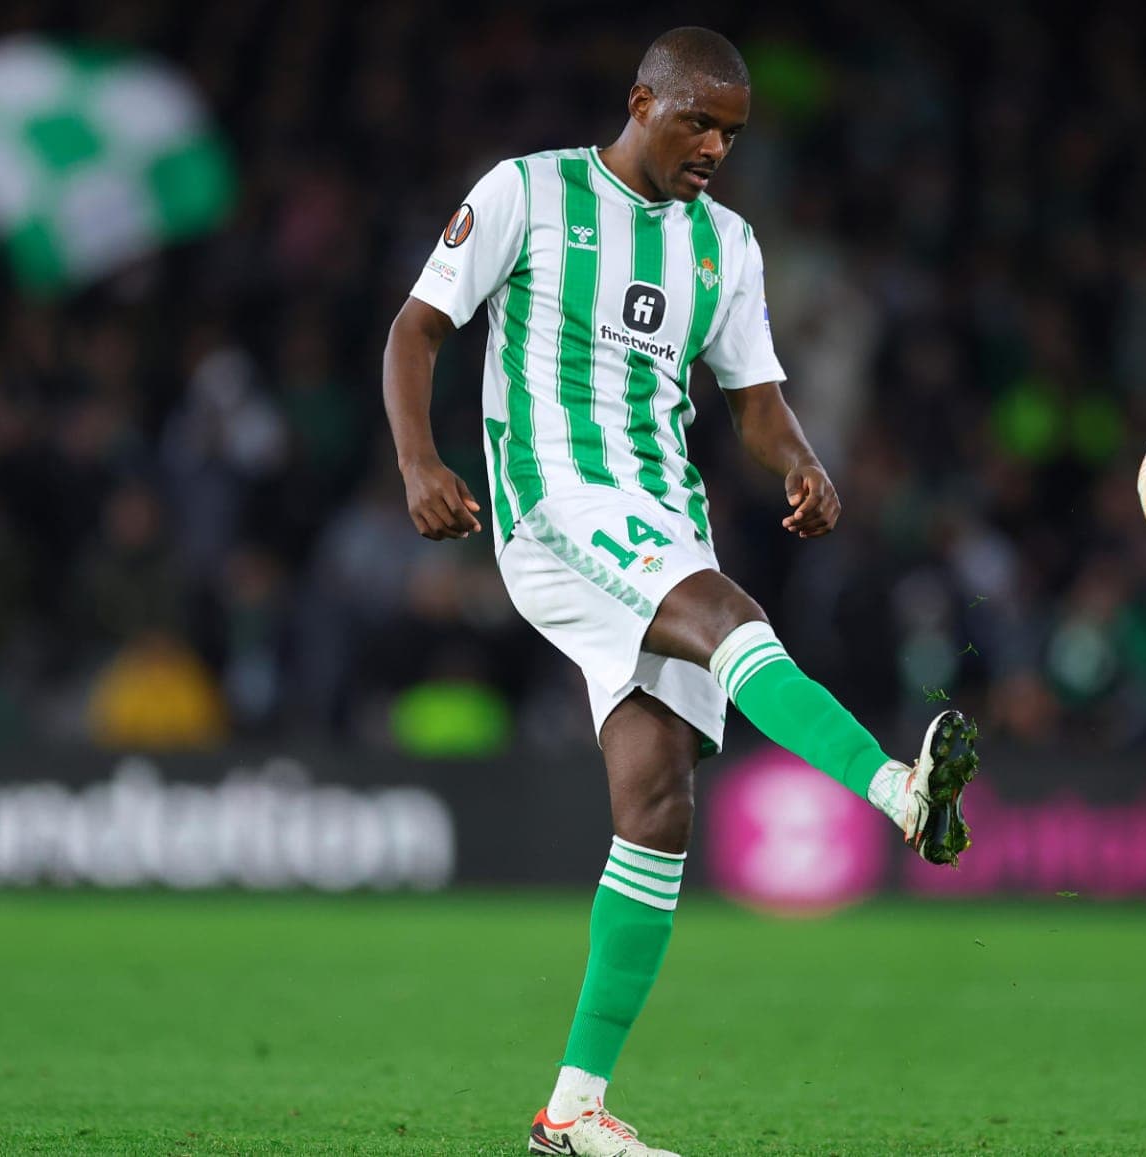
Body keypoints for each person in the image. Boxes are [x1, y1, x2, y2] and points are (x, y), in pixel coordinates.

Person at [383, 26, 980, 1157]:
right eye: (698, 122)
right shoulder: (529, 192)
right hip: (557, 502)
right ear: (642, 102)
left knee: (656, 808)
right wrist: (420, 463)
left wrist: (800, 461)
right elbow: (416, 330)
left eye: (731, 134)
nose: (714, 147)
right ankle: (899, 791)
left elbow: (755, 400)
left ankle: (572, 1109)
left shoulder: (725, 246)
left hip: (666, 513)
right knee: (732, 620)